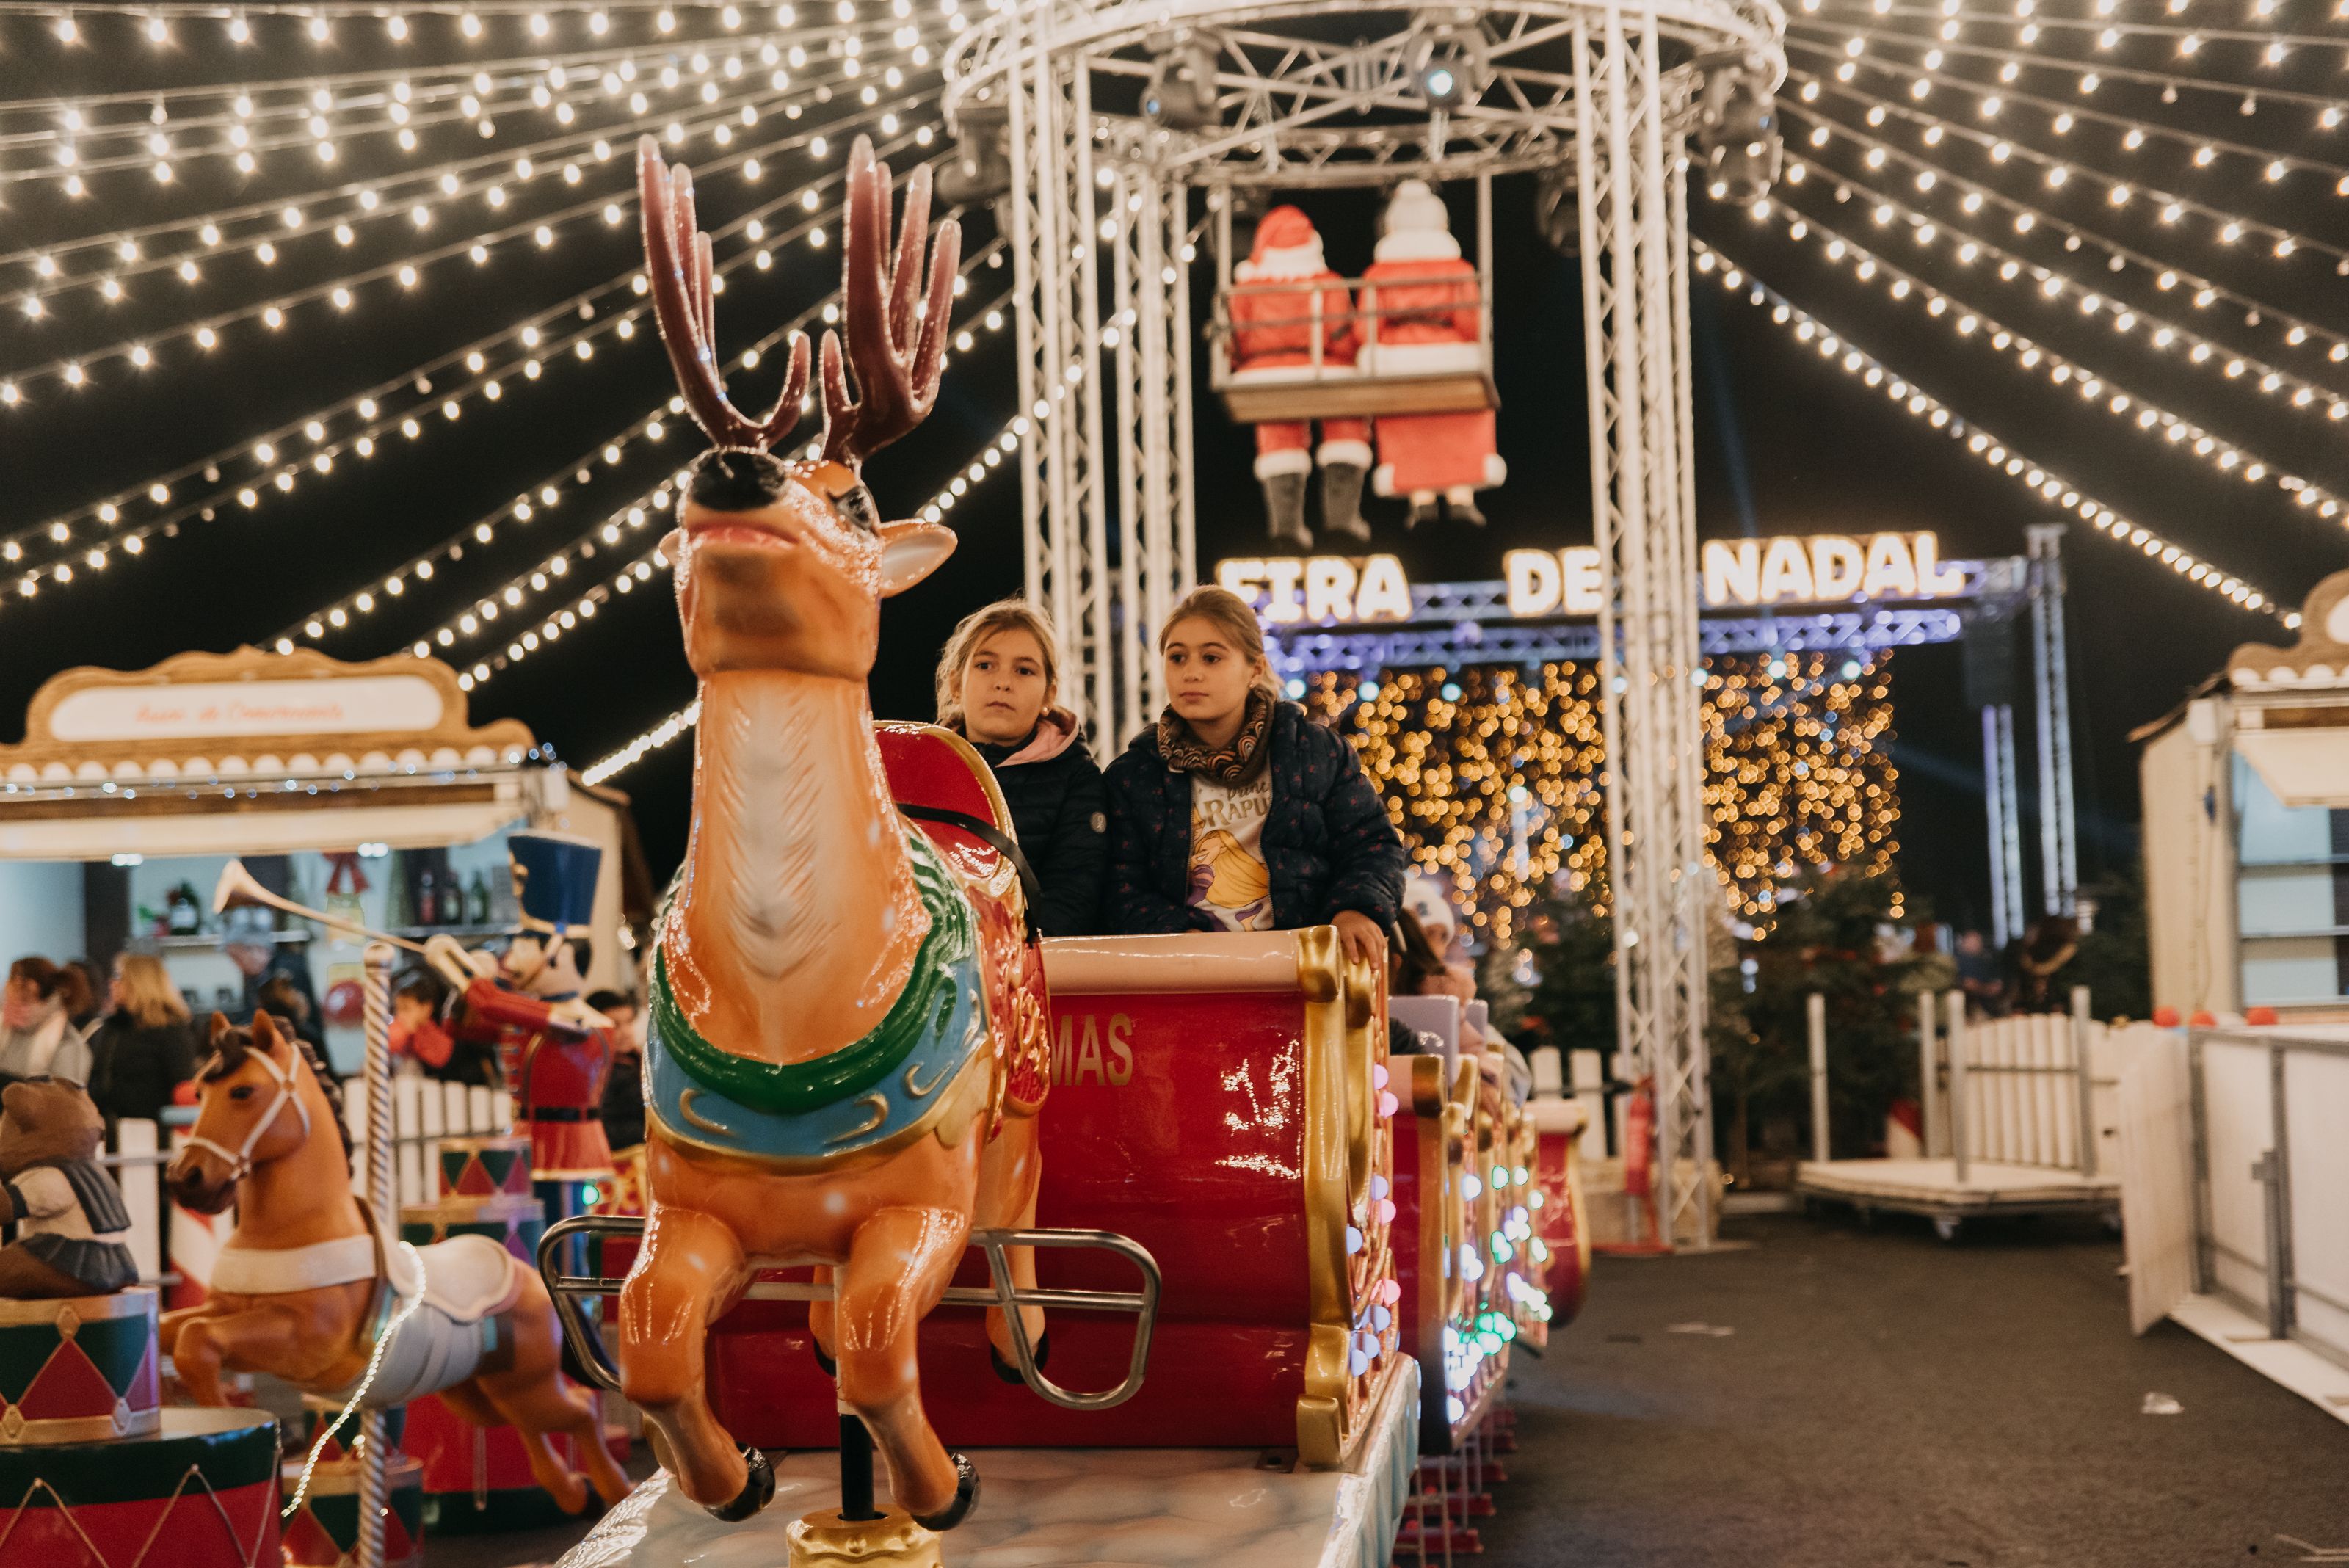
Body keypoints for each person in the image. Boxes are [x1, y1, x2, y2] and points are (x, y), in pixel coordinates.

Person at [1103, 585, 1406, 968]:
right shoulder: (1134, 774)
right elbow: (1119, 885)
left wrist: (1356, 910)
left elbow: (1373, 846)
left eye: (1212, 658)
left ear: (1255, 669)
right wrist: (1178, 934)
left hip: (1305, 971)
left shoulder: (1316, 752)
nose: (1191, 672)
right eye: (1177, 657)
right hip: (1185, 975)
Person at [934, 597, 1107, 937]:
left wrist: (999, 948)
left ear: (1048, 696)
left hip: (1023, 967)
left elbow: (1074, 896)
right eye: (985, 665)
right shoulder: (920, 764)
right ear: (956, 684)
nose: (1003, 683)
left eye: (1024, 670)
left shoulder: (1078, 778)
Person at [1228, 204, 1373, 547]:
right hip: (1324, 369)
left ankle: (1286, 526)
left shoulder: (1245, 288)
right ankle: (1341, 517)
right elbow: (1341, 333)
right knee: (1347, 422)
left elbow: (1237, 341)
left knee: (1278, 435)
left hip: (1265, 373)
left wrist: (1245, 363)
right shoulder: (1329, 283)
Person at [1362, 180, 1504, 529]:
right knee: (1461, 421)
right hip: (1450, 354)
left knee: (1406, 425)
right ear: (1441, 224)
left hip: (1395, 358)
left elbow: (1367, 326)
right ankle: (1461, 495)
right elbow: (1471, 321)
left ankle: (1420, 499)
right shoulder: (1458, 270)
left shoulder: (1378, 274)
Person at [84, 952, 200, 1126]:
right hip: (107, 1129)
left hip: (154, 1131)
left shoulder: (171, 1030)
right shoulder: (111, 1028)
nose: (112, 983)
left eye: (118, 976)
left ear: (139, 981)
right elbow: (96, 1078)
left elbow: (182, 1087)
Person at [0, 958, 92, 1086]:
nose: (6, 996)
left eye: (21, 986)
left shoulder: (68, 1043)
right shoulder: (5, 1027)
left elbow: (64, 1099)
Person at [592, 988, 645, 1153]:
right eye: (615, 1025)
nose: (626, 1032)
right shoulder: (599, 1072)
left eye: (629, 1022)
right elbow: (603, 1129)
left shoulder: (638, 1060)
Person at [1953, 929, 2006, 1018]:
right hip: (1971, 1010)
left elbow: (1996, 986)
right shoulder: (1963, 960)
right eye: (1973, 941)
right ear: (1965, 943)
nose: (1978, 944)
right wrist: (1988, 989)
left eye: (1978, 941)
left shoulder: (1983, 960)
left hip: (1986, 1008)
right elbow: (1969, 985)